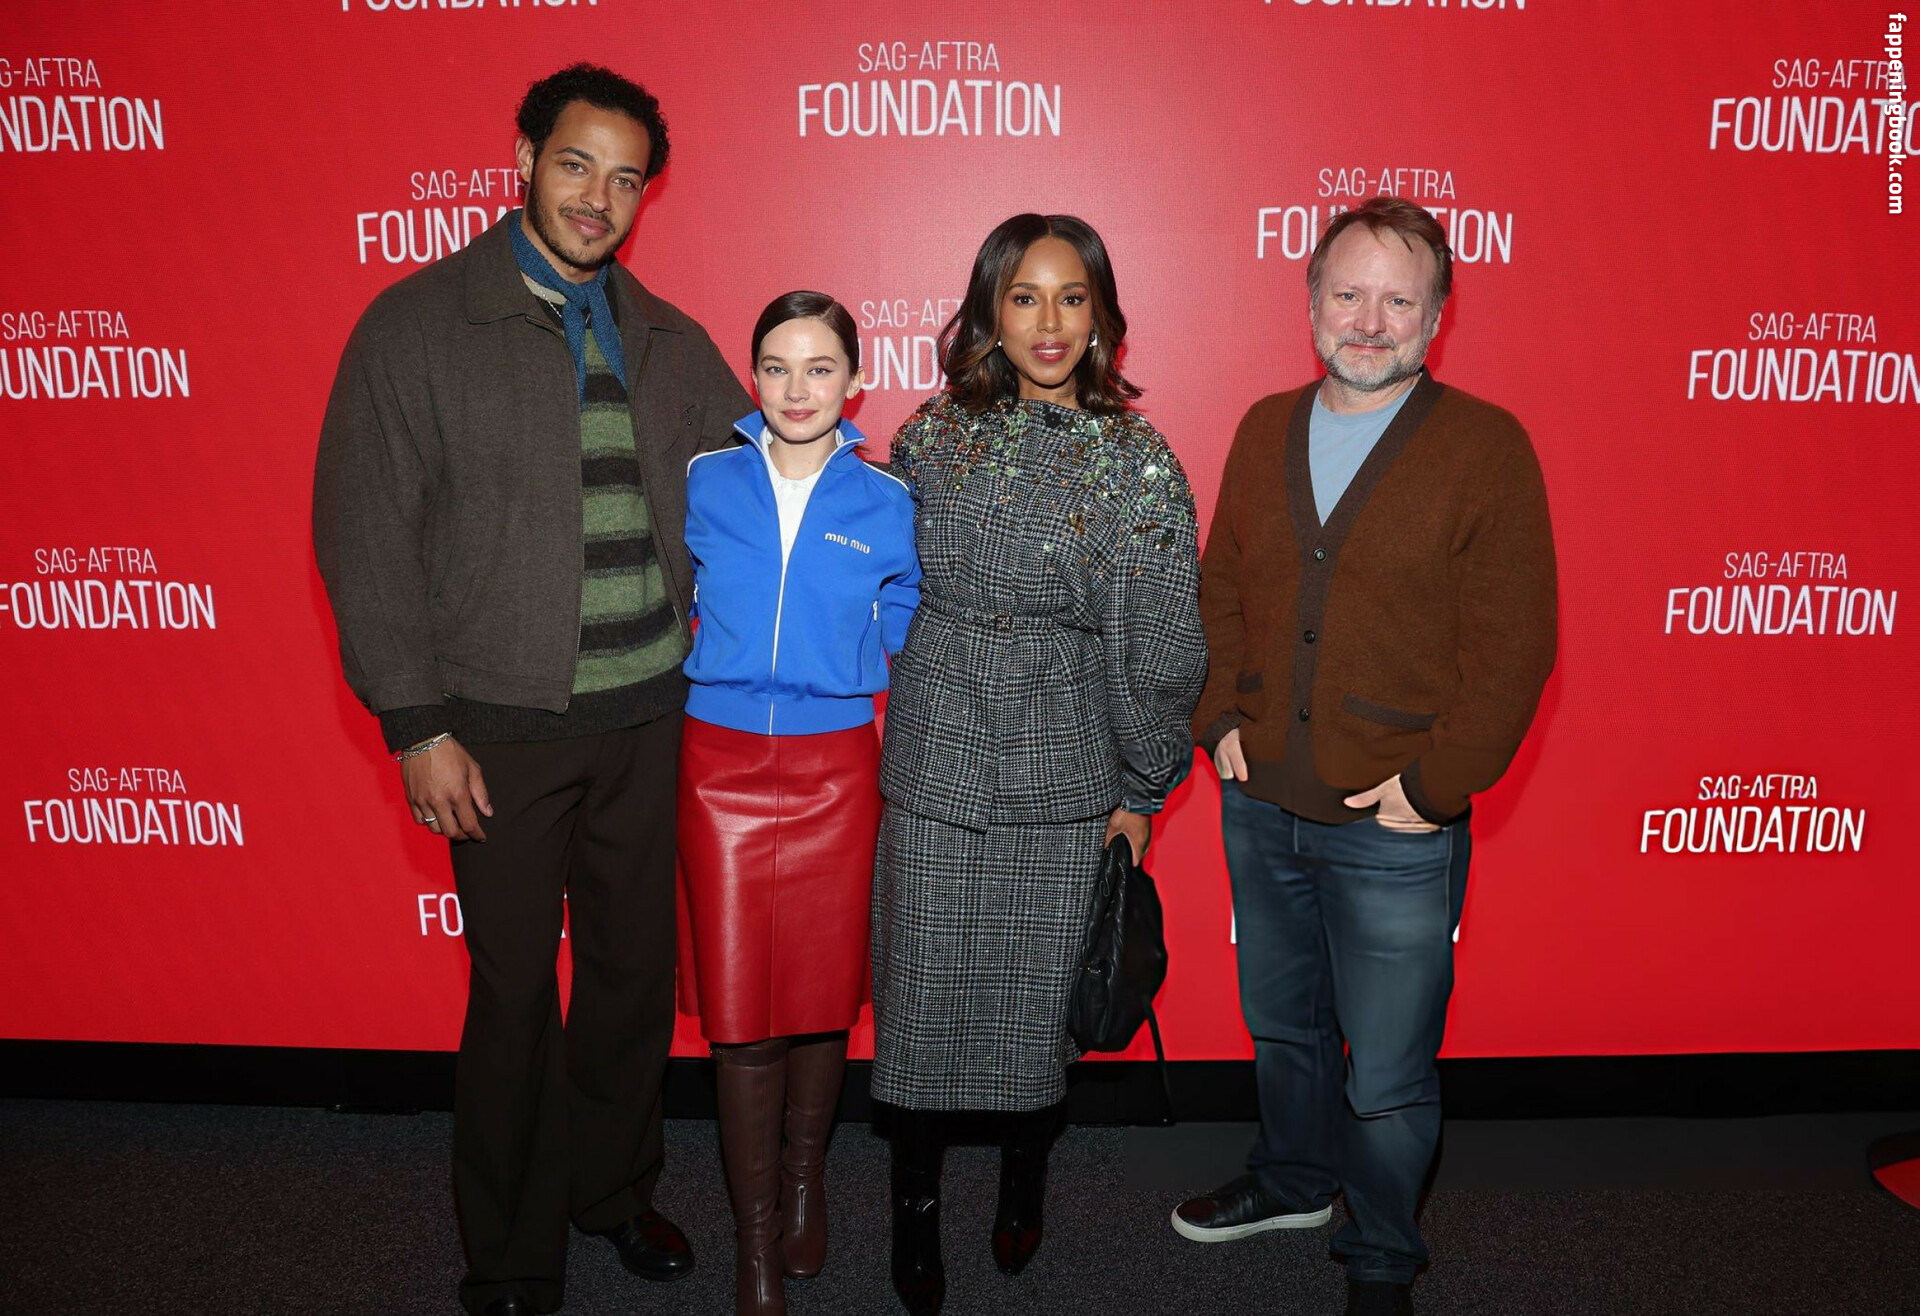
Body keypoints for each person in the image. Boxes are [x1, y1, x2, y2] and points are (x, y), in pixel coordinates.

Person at [311, 63, 752, 1316]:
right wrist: (417, 723)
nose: (597, 197)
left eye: (625, 179)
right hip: (494, 726)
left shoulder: (668, 340)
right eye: (575, 164)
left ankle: (612, 1190)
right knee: (513, 994)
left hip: (650, 715)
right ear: (521, 158)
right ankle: (508, 1249)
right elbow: (364, 533)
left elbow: (760, 485)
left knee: (629, 977)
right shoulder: (416, 327)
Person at [1171, 196, 1557, 1316]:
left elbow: (1517, 644)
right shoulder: (1263, 427)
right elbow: (1220, 589)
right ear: (1311, 302)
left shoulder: (1486, 447)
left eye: (1399, 300)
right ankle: (1294, 1180)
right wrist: (1217, 717)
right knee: (1285, 1031)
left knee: (1386, 1072)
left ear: (1437, 317)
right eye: (1348, 293)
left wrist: (1434, 786)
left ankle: (1382, 1254)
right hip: (1261, 806)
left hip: (1396, 826)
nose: (1370, 321)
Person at [870, 214, 1207, 1314]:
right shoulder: (931, 436)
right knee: (920, 1004)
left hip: (1065, 762)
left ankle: (1025, 1179)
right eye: (1025, 297)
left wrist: (1141, 788)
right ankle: (913, 1208)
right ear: (989, 312)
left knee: (1032, 1013)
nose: (1050, 322)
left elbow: (1160, 642)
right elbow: (875, 580)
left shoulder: (1136, 461)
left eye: (1072, 297)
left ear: (1102, 315)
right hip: (936, 751)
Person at [678, 292, 920, 1315]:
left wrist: (852, 659)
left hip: (835, 770)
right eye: (777, 366)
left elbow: (906, 612)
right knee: (741, 1014)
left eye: (820, 367)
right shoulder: (704, 478)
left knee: (822, 994)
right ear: (753, 375)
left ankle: (808, 1178)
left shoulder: (888, 499)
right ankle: (754, 1242)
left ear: (854, 381)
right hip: (718, 764)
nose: (797, 388)